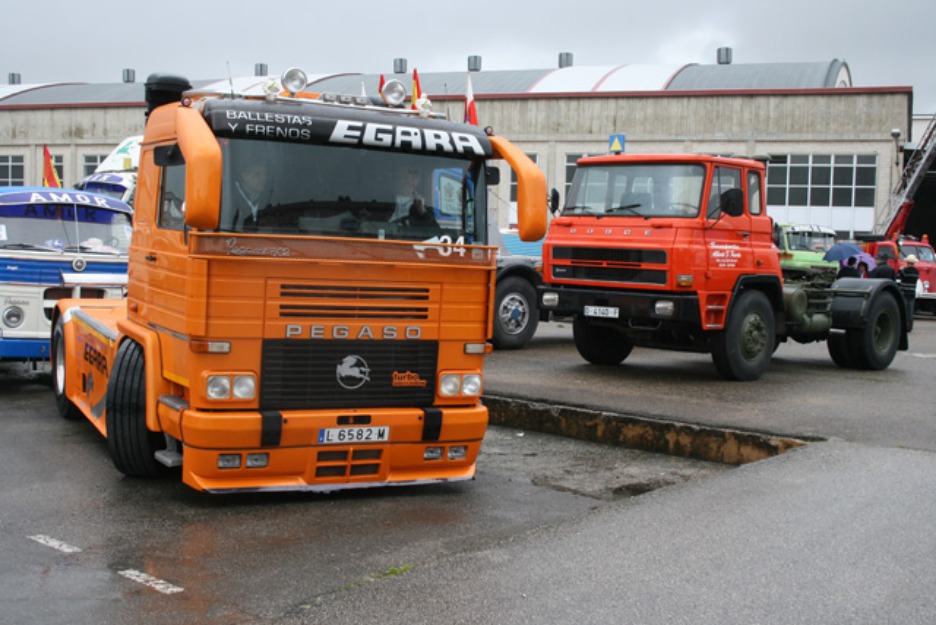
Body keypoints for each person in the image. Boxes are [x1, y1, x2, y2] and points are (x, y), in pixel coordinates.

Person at [233, 160, 271, 230]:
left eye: (265, 174)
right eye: (257, 174)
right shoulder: (230, 198)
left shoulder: (270, 199)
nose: (263, 179)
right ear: (244, 176)